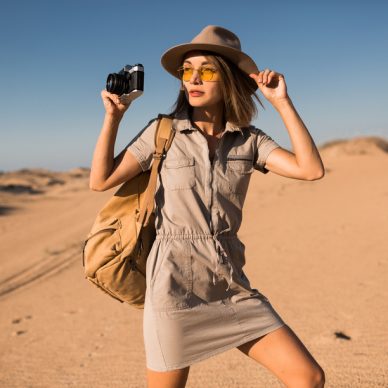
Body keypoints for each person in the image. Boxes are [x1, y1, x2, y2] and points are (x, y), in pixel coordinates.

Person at [89, 25, 325, 388]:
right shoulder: (162, 132)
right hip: (172, 286)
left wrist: (281, 103)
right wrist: (113, 118)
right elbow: (100, 180)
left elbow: (310, 170)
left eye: (207, 70)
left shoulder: (249, 141)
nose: (193, 78)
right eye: (187, 71)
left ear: (227, 78)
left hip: (230, 282)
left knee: (307, 377)